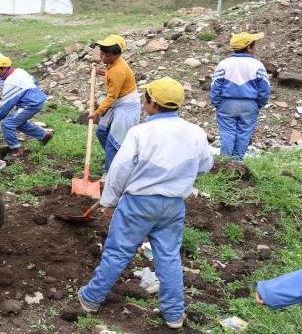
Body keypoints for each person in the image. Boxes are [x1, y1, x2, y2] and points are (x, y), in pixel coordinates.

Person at [78, 77, 213, 330]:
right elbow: (205, 166)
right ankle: (174, 315)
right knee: (169, 258)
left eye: (146, 99)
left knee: (118, 252)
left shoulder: (140, 132)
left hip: (138, 203)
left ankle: (90, 298)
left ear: (151, 103)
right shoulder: (195, 132)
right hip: (173, 205)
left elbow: (119, 170)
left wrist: (109, 199)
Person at [210, 32, 270, 160]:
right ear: (248, 48)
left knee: (227, 133)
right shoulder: (257, 65)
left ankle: (225, 163)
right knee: (244, 134)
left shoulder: (224, 64)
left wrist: (216, 103)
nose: (255, 48)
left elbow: (216, 86)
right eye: (254, 46)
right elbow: (264, 88)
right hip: (250, 105)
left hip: (227, 104)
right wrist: (259, 104)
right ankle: (237, 163)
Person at [88, 34, 140, 180]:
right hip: (116, 101)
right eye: (102, 54)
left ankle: (109, 174)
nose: (103, 58)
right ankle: (119, 159)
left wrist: (97, 113)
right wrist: (101, 72)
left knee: (113, 140)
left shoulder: (118, 69)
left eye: (106, 55)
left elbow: (112, 96)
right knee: (101, 132)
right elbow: (112, 76)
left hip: (126, 105)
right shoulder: (113, 64)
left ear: (116, 55)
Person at [0, 55, 53, 161]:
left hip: (30, 104)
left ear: (3, 68)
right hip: (36, 99)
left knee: (7, 124)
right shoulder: (19, 71)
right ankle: (43, 135)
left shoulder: (10, 81)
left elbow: (7, 105)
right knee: (19, 123)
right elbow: (34, 81)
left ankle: (16, 150)